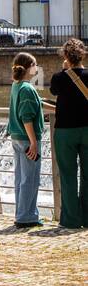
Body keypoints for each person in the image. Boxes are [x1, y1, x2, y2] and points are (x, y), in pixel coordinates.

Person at [48, 38, 88, 230]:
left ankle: (71, 219)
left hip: (65, 132)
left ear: (65, 56)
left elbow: (54, 91)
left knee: (68, 175)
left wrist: (66, 70)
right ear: (83, 55)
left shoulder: (59, 77)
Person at [7, 52, 45, 228]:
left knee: (21, 178)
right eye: (35, 64)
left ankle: (22, 213)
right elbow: (26, 117)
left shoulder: (17, 85)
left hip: (16, 137)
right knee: (30, 179)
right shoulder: (27, 88)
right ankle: (26, 217)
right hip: (27, 138)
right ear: (29, 67)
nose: (37, 68)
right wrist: (34, 142)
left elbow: (36, 104)